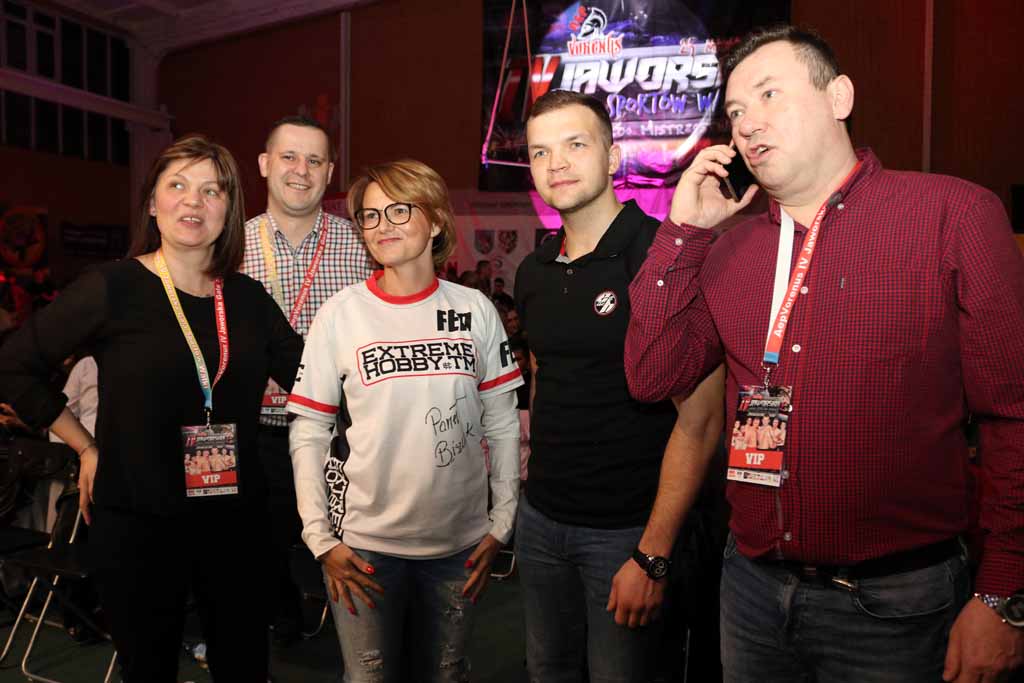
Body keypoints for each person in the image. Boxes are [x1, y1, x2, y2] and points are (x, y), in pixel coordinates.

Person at [624, 24, 1024, 683]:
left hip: (898, 603)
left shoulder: (951, 216)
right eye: (735, 111)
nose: (747, 123)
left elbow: (1012, 415)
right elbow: (651, 375)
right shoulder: (727, 251)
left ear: (839, 97)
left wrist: (1004, 593)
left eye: (769, 94)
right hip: (751, 589)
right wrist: (682, 231)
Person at [0, 134, 303, 681]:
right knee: (149, 670)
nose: (193, 201)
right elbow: (14, 364)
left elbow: (313, 381)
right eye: (177, 185)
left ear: (229, 210)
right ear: (153, 203)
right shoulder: (111, 288)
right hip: (137, 519)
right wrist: (85, 446)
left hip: (235, 522)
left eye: (211, 190)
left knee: (244, 667)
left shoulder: (248, 300)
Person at [513, 89, 725, 682]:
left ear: (611, 157)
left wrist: (652, 553)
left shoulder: (661, 255)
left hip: (627, 532)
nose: (556, 163)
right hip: (541, 522)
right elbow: (544, 375)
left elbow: (702, 420)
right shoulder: (533, 270)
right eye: (540, 152)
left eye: (575, 145)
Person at [288, 159, 523, 682]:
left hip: (460, 549)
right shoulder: (341, 313)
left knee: (445, 676)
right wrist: (320, 539)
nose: (382, 225)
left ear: (435, 219)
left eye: (399, 210)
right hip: (365, 550)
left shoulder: (475, 309)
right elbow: (309, 431)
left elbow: (503, 423)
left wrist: (502, 523)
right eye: (370, 216)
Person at [242, 114, 375, 643]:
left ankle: (362, 647)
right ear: (264, 164)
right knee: (258, 548)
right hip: (255, 433)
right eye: (289, 157)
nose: (301, 170)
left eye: (315, 160)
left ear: (330, 171)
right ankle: (280, 624)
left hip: (341, 435)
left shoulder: (363, 243)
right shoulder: (231, 246)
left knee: (352, 546)